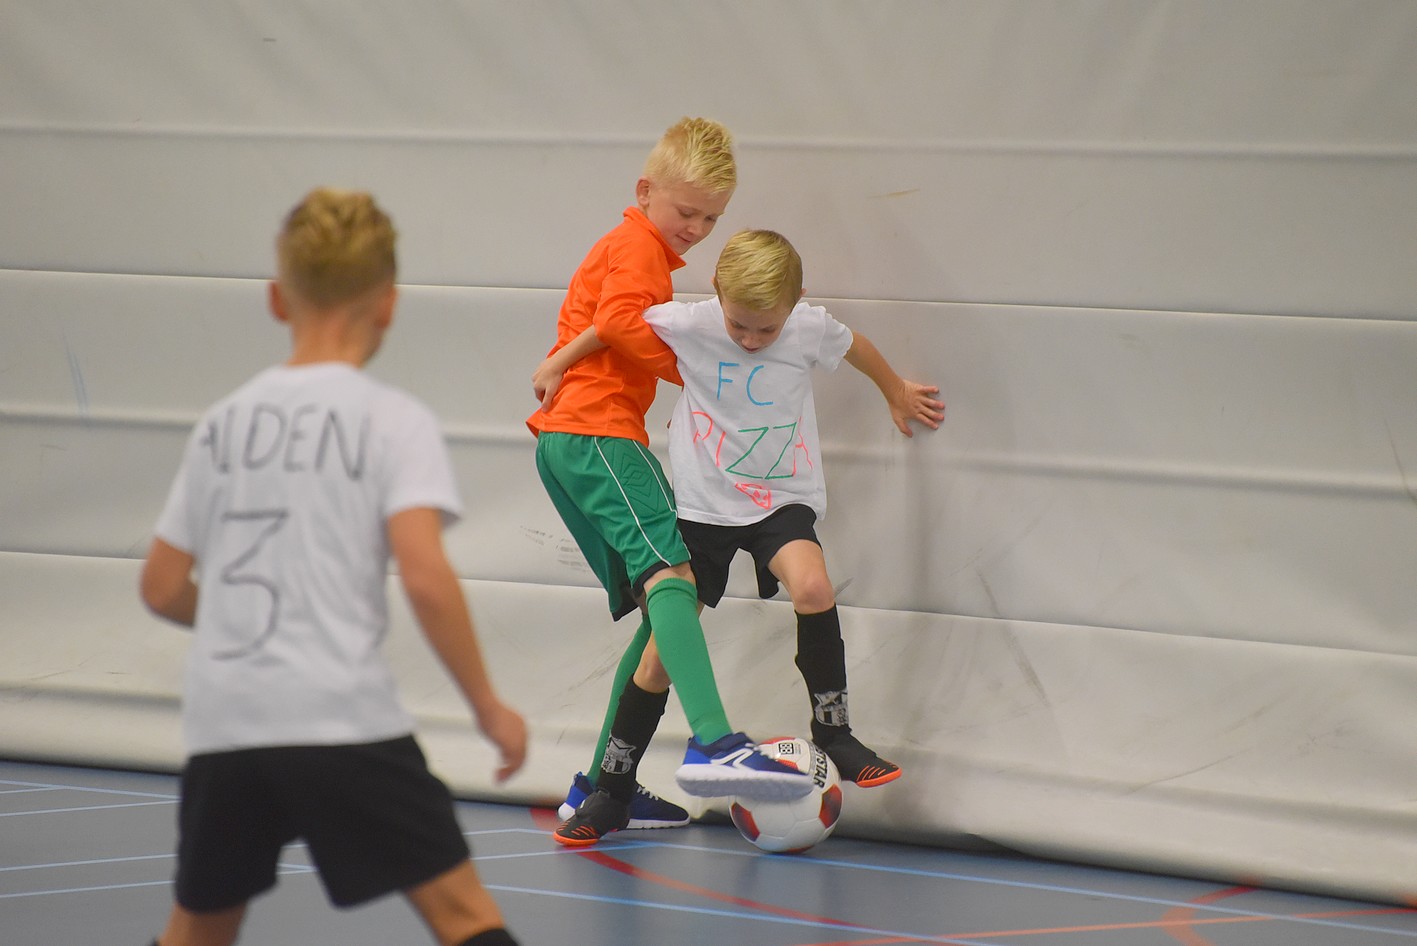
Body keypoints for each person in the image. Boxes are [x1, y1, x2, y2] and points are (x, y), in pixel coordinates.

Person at [138, 187, 527, 946]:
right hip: (339, 719)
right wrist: (486, 706)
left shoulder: (221, 424)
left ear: (276, 298)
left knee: (197, 932)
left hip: (226, 724)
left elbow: (160, 586)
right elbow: (425, 576)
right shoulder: (392, 420)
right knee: (464, 917)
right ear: (389, 304)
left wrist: (237, 616)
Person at [540, 228, 944, 845]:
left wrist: (896, 391)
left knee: (814, 586)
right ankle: (613, 790)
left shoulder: (808, 328)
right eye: (740, 327)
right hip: (704, 506)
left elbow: (856, 346)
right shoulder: (692, 322)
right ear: (717, 293)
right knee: (659, 658)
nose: (752, 340)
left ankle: (833, 730)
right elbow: (613, 325)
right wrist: (559, 361)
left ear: (796, 302)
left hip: (780, 500)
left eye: (766, 330)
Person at [527, 118, 815, 845]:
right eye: (686, 212)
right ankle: (715, 740)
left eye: (710, 219)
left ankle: (604, 786)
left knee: (662, 609)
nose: (696, 228)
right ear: (644, 192)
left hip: (577, 439)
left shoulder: (633, 247)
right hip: (598, 435)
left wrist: (559, 358)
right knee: (674, 577)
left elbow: (607, 321)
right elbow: (626, 324)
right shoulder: (638, 249)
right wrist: (702, 377)